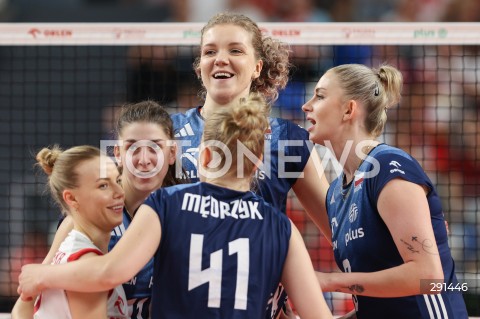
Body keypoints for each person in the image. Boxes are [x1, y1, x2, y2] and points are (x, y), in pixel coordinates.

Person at [17, 94, 334, 319]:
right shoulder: (281, 226)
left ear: (203, 156)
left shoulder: (168, 202)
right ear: (258, 164)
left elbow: (108, 272)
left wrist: (42, 275)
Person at [171, 13, 331, 316]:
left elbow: (337, 228)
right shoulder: (166, 133)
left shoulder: (286, 138)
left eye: (235, 50)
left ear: (258, 67)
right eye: (210, 51)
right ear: (199, 67)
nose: (220, 59)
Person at [301, 63, 468, 318]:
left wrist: (328, 281)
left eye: (320, 96)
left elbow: (429, 277)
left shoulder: (388, 167)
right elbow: (376, 302)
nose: (307, 105)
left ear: (349, 109)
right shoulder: (336, 193)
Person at [12, 100, 181, 319]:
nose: (144, 160)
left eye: (155, 146)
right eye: (132, 147)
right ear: (118, 153)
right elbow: (26, 298)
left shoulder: (182, 213)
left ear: (172, 152)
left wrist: (46, 274)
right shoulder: (86, 218)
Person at [32, 145, 128, 318]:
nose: (120, 192)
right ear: (72, 198)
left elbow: (22, 310)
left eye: (118, 181)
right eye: (104, 185)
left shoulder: (74, 252)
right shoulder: (85, 263)